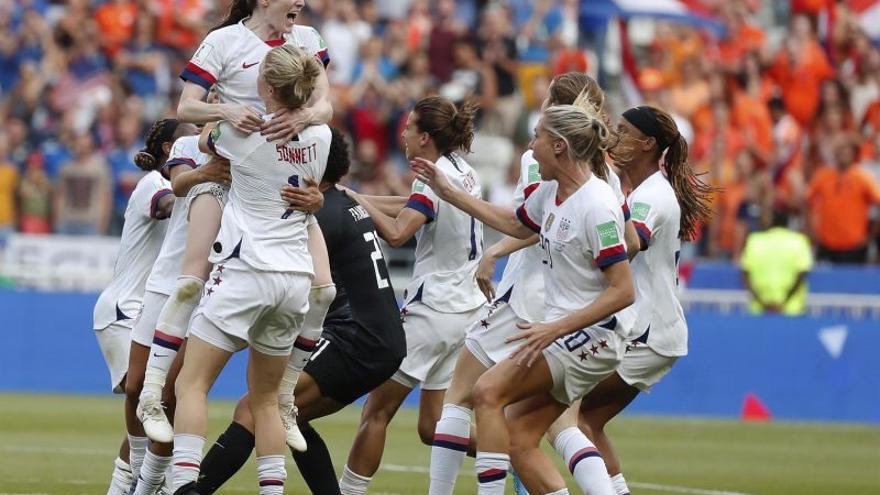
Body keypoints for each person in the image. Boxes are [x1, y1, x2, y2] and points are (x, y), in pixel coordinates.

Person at [410, 89, 635, 495]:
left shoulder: (597, 205)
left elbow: (623, 291)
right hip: (563, 332)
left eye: (537, 137)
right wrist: (450, 193)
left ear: (560, 146)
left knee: (486, 391)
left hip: (595, 335)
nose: (530, 146)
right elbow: (516, 225)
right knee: (519, 436)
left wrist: (556, 328)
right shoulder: (552, 193)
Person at [137, 0, 334, 451]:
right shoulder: (224, 42)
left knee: (323, 291)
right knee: (190, 282)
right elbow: (187, 108)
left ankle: (285, 396)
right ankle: (151, 393)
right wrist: (227, 112)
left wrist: (303, 116)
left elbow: (327, 105)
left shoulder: (308, 40)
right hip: (225, 170)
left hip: (275, 183)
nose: (301, 3)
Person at [188, 128, 406, 495]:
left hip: (355, 337)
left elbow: (281, 288)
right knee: (292, 416)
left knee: (256, 408)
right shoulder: (342, 203)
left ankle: (191, 490)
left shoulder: (318, 215)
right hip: (381, 339)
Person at [170, 44, 330, 495]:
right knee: (266, 399)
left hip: (246, 270)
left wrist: (228, 111)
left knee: (191, 382)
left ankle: (183, 485)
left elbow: (202, 140)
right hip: (295, 279)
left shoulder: (243, 132)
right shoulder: (322, 137)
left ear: (266, 86)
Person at [338, 96, 485, 495]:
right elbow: (411, 206)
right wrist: (353, 197)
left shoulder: (430, 177)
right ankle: (508, 454)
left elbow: (399, 231)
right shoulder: (464, 172)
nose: (401, 133)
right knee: (432, 425)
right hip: (467, 310)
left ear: (424, 137)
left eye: (408, 127)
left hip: (435, 309)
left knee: (377, 410)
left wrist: (354, 203)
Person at [571, 105, 714, 495]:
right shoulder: (643, 191)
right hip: (650, 328)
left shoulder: (651, 195)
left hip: (647, 331)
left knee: (570, 418)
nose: (614, 138)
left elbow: (631, 245)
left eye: (623, 131)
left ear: (647, 144)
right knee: (584, 421)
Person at [121, 121, 230, 495]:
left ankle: (147, 484)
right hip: (164, 279)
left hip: (204, 287)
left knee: (170, 395)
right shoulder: (187, 146)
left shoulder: (248, 149)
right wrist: (207, 173)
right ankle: (137, 470)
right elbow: (178, 186)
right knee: (134, 385)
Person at [94, 165, 174, 495]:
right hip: (124, 309)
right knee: (144, 394)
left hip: (153, 310)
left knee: (160, 400)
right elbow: (167, 204)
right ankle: (150, 479)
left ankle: (129, 485)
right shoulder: (153, 183)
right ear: (170, 150)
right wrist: (201, 190)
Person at [741, 210, 813, 316]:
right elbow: (801, 275)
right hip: (792, 311)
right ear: (788, 223)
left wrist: (763, 304)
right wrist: (783, 303)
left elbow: (745, 276)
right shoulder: (799, 241)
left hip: (760, 312)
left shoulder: (754, 241)